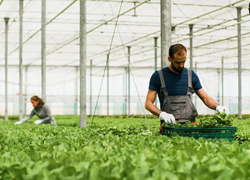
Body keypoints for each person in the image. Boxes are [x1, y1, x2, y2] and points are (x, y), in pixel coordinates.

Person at [145, 44, 229, 125]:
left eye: (183, 61)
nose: (181, 65)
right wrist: (162, 114)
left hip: (191, 126)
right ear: (169, 59)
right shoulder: (158, 76)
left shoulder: (191, 75)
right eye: (178, 62)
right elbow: (148, 103)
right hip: (169, 127)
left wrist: (217, 107)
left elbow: (205, 98)